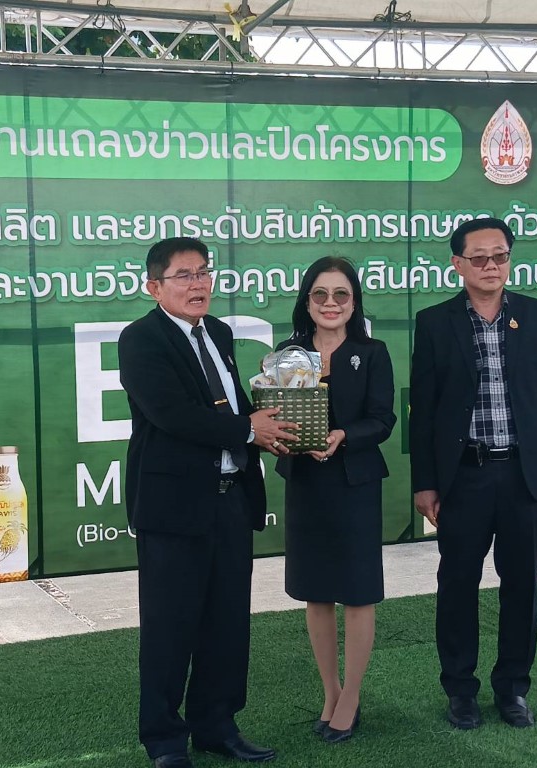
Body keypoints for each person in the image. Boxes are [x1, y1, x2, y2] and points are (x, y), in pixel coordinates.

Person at [119, 237, 298, 768]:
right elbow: (171, 414)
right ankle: (165, 741)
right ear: (154, 287)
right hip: (173, 508)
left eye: (203, 272)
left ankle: (216, 726)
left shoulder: (217, 332)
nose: (198, 284)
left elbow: (233, 406)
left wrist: (270, 427)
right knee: (169, 628)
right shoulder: (141, 339)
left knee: (227, 624)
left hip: (231, 500)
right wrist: (248, 429)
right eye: (184, 275)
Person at [409, 217, 537, 730]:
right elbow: (424, 409)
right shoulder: (434, 322)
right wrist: (425, 482)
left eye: (500, 255)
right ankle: (460, 690)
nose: (491, 266)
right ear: (457, 264)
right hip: (464, 477)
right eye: (479, 257)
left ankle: (513, 689)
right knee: (457, 584)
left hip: (524, 475)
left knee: (522, 586)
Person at [274, 256, 395, 744]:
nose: (331, 303)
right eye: (320, 294)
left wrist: (343, 435)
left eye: (341, 294)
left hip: (355, 485)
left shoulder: (373, 352)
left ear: (354, 301)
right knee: (316, 591)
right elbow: (274, 414)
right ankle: (331, 692)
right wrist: (281, 438)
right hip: (306, 484)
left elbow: (383, 420)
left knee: (358, 592)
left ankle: (352, 697)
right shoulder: (287, 355)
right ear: (307, 301)